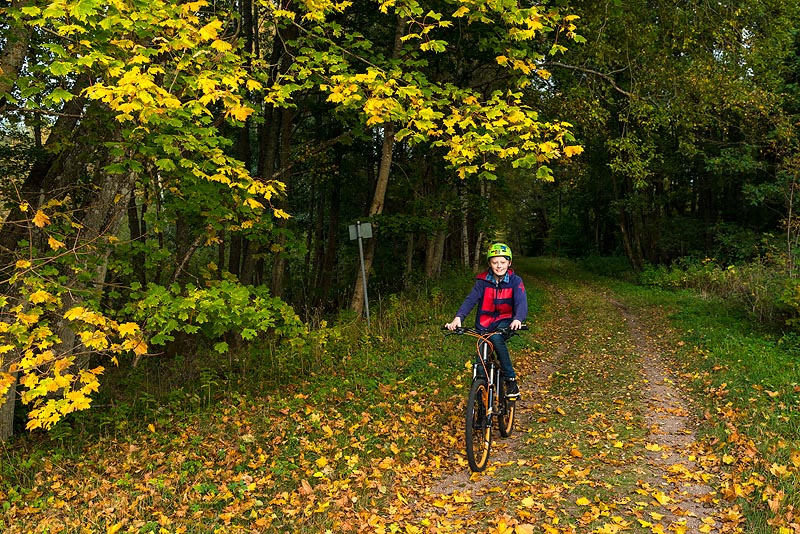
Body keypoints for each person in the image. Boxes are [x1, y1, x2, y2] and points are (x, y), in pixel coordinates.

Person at [445, 243, 527, 398]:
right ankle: (481, 399)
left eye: (503, 262)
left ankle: (511, 380)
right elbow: (470, 300)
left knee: (496, 337)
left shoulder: (515, 281)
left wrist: (518, 319)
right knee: (481, 362)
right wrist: (458, 318)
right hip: (484, 324)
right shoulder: (482, 282)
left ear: (509, 263)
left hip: (505, 322)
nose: (499, 266)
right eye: (495, 262)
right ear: (489, 263)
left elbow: (521, 302)